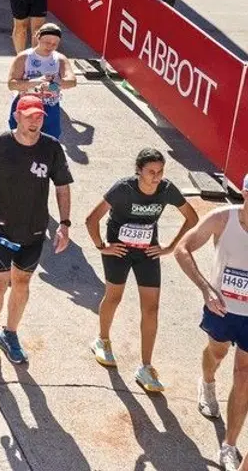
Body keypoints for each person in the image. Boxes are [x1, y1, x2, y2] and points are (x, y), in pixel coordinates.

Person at [0, 95, 73, 366]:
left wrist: (64, 224)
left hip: (34, 231)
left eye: (39, 116)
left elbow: (62, 188)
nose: (35, 121)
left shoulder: (51, 149)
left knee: (22, 284)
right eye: (29, 116)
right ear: (17, 116)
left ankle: (10, 334)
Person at [87, 148, 197, 393]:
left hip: (147, 253)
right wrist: (102, 247)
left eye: (160, 172)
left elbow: (192, 218)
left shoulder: (167, 190)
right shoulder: (123, 188)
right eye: (151, 172)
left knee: (152, 307)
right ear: (139, 171)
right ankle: (102, 340)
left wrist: (169, 247)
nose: (156, 177)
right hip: (120, 252)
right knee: (114, 297)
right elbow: (91, 219)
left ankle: (146, 367)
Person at [176, 185, 248, 469]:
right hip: (222, 309)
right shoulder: (222, 219)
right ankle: (207, 381)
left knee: (243, 376)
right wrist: (205, 289)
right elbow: (182, 249)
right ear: (245, 193)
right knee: (216, 354)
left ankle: (229, 445)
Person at [7, 23, 75, 141]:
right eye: (47, 42)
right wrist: (35, 82)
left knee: (49, 141)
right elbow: (11, 84)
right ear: (38, 37)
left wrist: (53, 86)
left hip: (50, 106)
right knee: (21, 140)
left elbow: (72, 81)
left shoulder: (59, 59)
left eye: (55, 44)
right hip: (26, 106)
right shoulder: (24, 57)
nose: (50, 46)